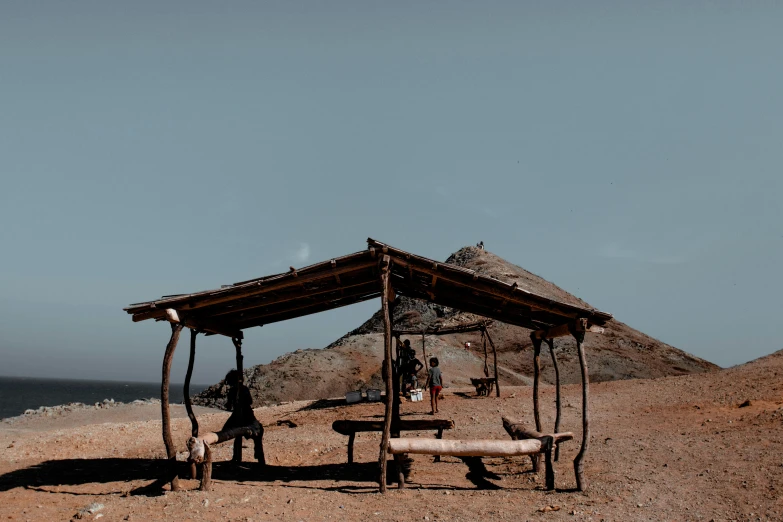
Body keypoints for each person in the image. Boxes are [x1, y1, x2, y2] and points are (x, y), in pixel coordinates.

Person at [222, 369, 265, 465]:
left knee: (240, 434)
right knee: (254, 436)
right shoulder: (243, 389)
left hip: (244, 415)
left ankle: (238, 457)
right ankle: (258, 459)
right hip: (244, 415)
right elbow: (250, 401)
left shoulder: (237, 390)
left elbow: (229, 406)